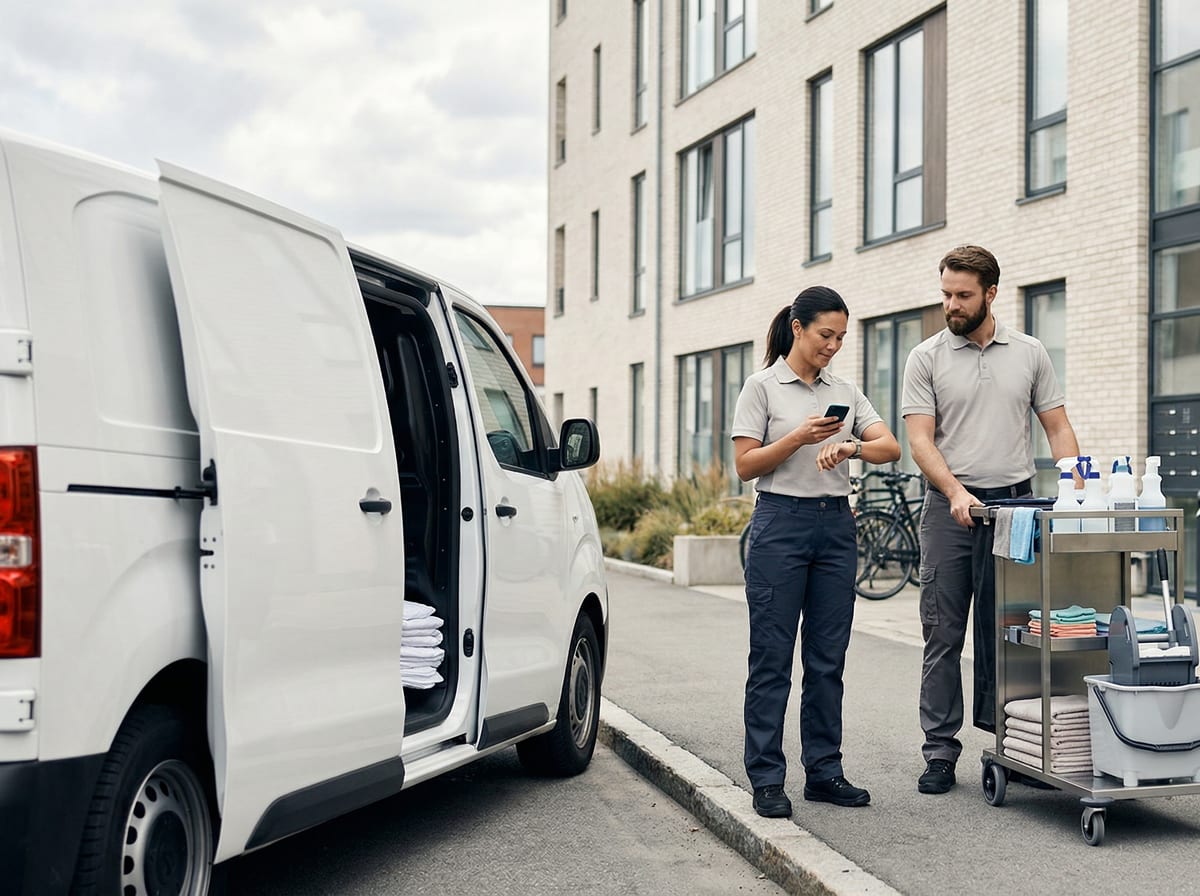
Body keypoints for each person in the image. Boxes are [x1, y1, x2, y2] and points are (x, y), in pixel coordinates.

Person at [901, 245, 1081, 795]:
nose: (951, 304)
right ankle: (940, 752)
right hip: (949, 511)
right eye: (946, 294)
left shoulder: (1029, 352)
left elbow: (1057, 427)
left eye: (963, 295)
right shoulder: (925, 357)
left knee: (1016, 637)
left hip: (1016, 511)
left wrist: (1078, 485)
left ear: (991, 294)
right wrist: (955, 490)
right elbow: (919, 440)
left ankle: (1020, 748)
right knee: (944, 633)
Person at [732, 285, 901, 818]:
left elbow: (890, 447)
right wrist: (799, 438)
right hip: (780, 523)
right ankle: (766, 777)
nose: (833, 345)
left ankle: (824, 772)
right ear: (798, 328)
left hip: (835, 529)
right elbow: (745, 465)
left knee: (827, 661)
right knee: (772, 659)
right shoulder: (761, 388)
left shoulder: (846, 390)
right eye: (826, 335)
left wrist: (852, 445)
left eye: (841, 337)